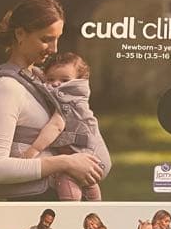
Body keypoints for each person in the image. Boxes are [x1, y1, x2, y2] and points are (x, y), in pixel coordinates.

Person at [0, 0, 103, 200]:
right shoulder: (6, 87)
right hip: (30, 204)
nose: (55, 49)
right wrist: (65, 162)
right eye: (46, 39)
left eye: (57, 39)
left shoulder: (41, 80)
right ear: (20, 34)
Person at [20, 51, 111, 201]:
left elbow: (55, 126)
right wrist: (33, 71)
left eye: (64, 80)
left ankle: (69, 206)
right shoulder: (73, 95)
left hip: (91, 159)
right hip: (96, 158)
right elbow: (43, 80)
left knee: (65, 178)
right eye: (51, 79)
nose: (56, 83)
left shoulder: (68, 101)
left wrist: (34, 150)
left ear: (78, 81)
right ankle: (94, 204)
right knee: (86, 184)